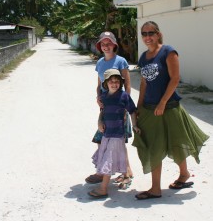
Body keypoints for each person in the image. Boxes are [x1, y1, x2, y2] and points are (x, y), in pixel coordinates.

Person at [132, 21, 209, 200]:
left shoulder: (168, 52)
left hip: (170, 107)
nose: (147, 37)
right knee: (153, 146)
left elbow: (175, 79)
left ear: (158, 34)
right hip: (150, 109)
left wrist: (162, 103)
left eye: (151, 33)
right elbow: (143, 84)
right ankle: (161, 186)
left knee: (177, 142)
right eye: (144, 34)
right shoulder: (143, 57)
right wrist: (139, 106)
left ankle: (177, 178)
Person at [85, 31, 134, 189]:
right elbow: (99, 84)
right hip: (106, 107)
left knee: (119, 140)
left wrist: (125, 107)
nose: (106, 46)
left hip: (119, 107)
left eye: (109, 43)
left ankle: (125, 171)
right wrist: (98, 97)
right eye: (103, 44)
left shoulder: (121, 61)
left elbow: (127, 85)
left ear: (114, 45)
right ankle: (105, 170)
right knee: (102, 138)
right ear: (100, 46)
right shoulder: (99, 62)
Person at [88, 69, 140, 199]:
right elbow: (103, 111)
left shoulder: (124, 96)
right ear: (106, 83)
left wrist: (134, 125)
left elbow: (133, 111)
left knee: (108, 159)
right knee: (109, 157)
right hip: (106, 134)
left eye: (117, 82)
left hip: (117, 134)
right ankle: (125, 176)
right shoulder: (104, 96)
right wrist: (99, 121)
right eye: (111, 81)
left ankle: (103, 188)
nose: (115, 84)